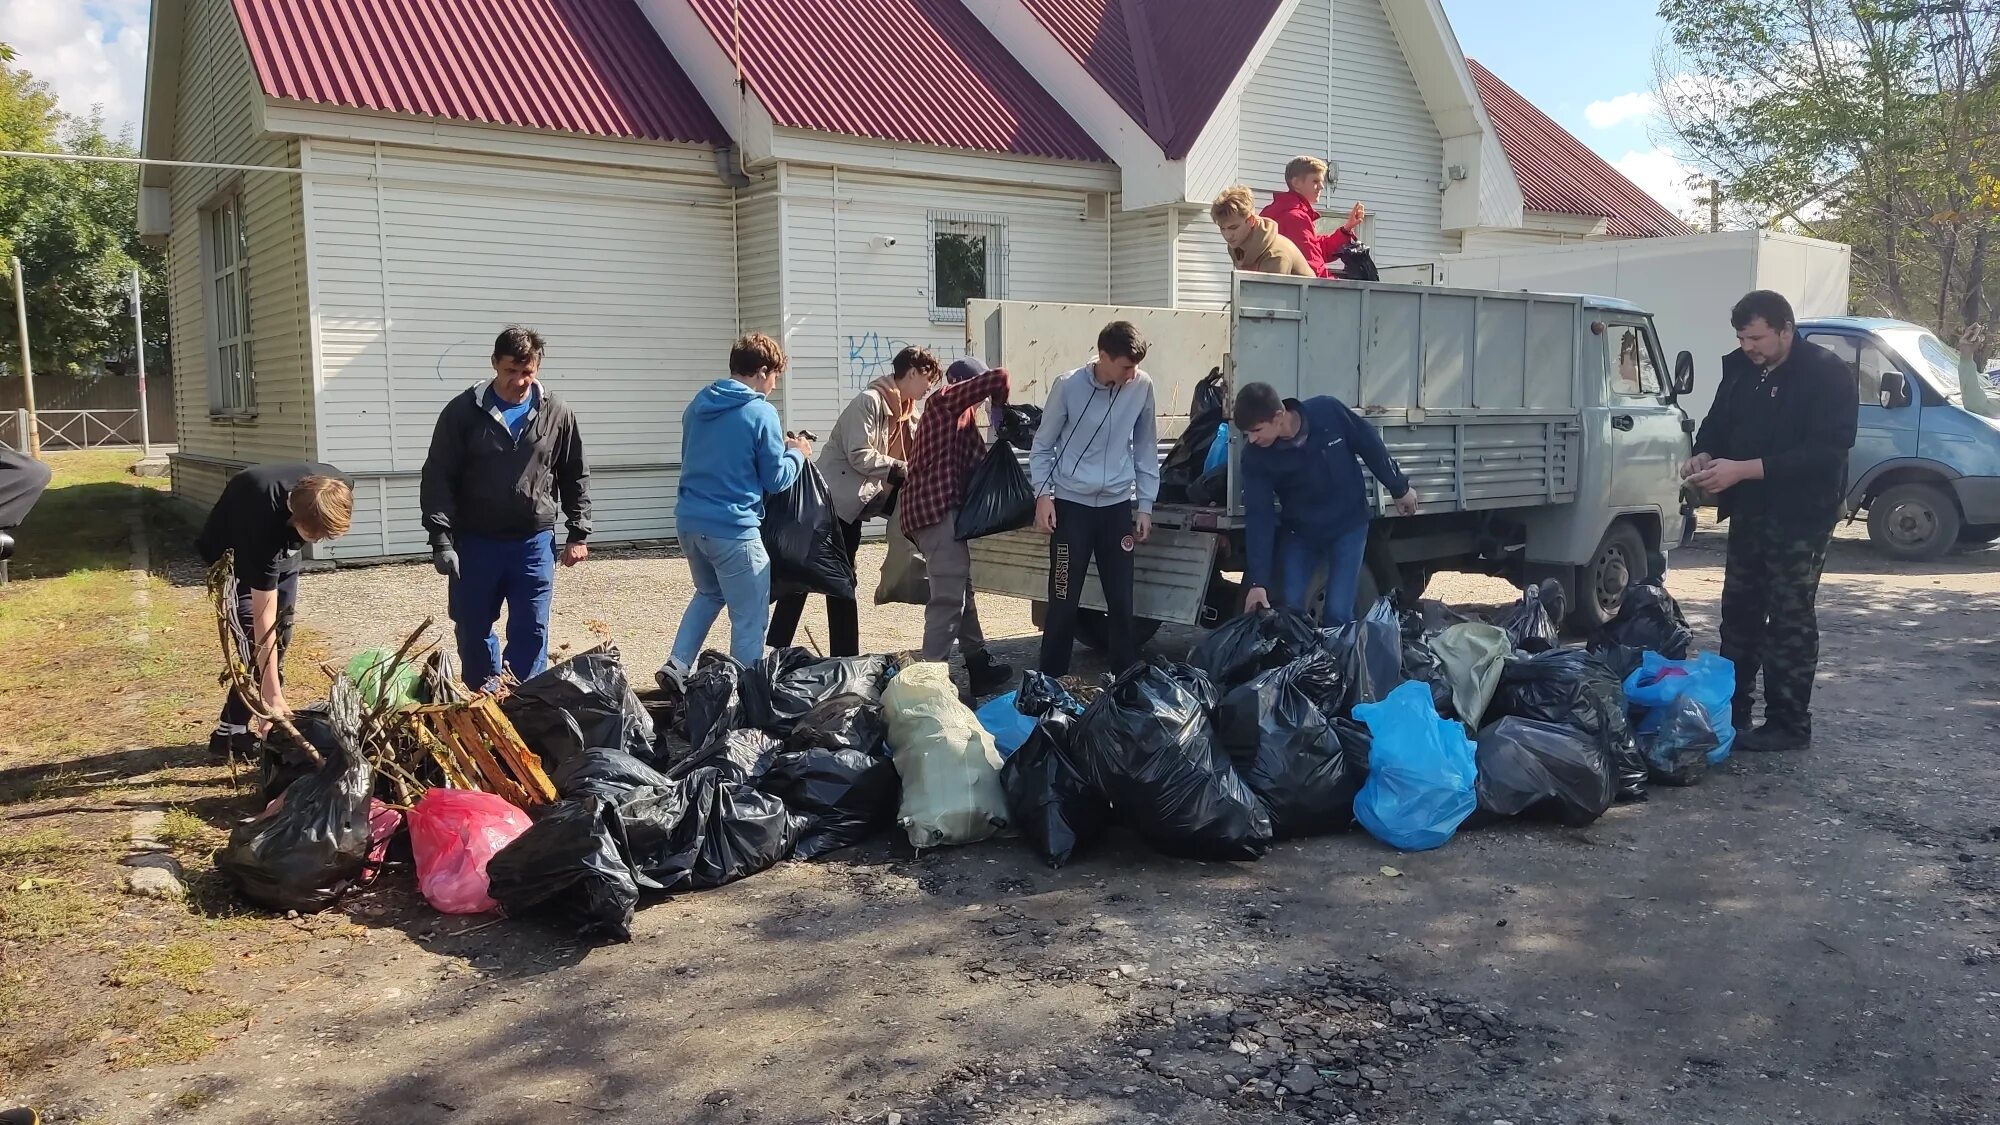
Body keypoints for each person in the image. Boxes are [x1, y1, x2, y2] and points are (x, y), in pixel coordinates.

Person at [1684, 290, 1857, 753]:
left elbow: (1828, 453)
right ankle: (1732, 713)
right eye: (1742, 337)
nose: (1749, 346)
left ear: (1785, 329)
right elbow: (1717, 423)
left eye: (1757, 337)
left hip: (1802, 514)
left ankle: (1788, 723)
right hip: (1750, 510)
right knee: (1738, 613)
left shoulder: (1826, 373)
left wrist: (1743, 468)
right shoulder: (1741, 370)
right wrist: (1703, 453)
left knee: (1789, 617)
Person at [420, 326, 591, 690]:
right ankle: (485, 697)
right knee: (472, 625)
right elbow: (438, 476)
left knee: (531, 627)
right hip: (475, 543)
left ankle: (521, 701)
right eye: (511, 371)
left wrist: (578, 531)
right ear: (495, 364)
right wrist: (441, 539)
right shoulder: (463, 412)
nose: (519, 381)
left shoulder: (556, 412)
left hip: (533, 543)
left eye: (527, 372)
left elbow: (574, 472)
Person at [772, 346, 936, 655]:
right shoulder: (870, 402)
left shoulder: (908, 411)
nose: (930, 387)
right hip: (828, 504)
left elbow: (916, 454)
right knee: (819, 576)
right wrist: (902, 469)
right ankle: (823, 653)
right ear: (911, 372)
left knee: (827, 576)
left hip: (851, 508)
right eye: (928, 378)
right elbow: (859, 455)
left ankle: (833, 653)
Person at [666, 333, 812, 675]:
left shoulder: (698, 404)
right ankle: (744, 695)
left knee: (709, 594)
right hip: (734, 529)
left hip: (689, 522)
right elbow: (776, 479)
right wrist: (797, 454)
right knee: (749, 617)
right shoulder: (761, 412)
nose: (774, 385)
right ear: (762, 371)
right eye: (775, 376)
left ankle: (677, 664)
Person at [195, 462, 354, 758]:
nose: (318, 542)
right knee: (255, 645)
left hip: (283, 554)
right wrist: (273, 696)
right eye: (315, 535)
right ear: (294, 517)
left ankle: (230, 731)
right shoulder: (262, 523)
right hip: (233, 560)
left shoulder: (339, 485)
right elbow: (262, 619)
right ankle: (233, 733)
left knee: (281, 639)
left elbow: (276, 630)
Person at [1030, 321, 1159, 677]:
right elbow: (1042, 446)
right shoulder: (1068, 386)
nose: (1132, 374)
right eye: (1125, 367)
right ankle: (1050, 680)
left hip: (1117, 507)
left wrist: (1145, 504)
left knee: (1121, 601)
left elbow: (1146, 447)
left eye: (1136, 367)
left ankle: (1126, 678)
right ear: (1103, 356)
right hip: (1072, 508)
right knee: (1063, 600)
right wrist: (1043, 495)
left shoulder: (1142, 386)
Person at [1233, 383, 1420, 624]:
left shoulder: (1328, 412)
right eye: (1247, 433)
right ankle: (1304, 662)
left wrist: (1399, 487)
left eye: (1256, 430)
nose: (1252, 438)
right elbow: (1260, 517)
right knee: (1291, 613)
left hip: (1348, 527)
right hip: (1301, 534)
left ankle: (1339, 660)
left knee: (1337, 613)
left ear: (1279, 416)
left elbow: (1368, 443)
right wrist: (1258, 582)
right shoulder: (1255, 457)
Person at [901, 356, 1016, 697]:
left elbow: (978, 468)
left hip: (943, 515)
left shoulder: (964, 421)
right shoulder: (944, 401)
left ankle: (978, 664)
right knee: (948, 600)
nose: (979, 403)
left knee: (961, 590)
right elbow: (1000, 377)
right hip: (934, 513)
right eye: (976, 394)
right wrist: (999, 406)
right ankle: (930, 682)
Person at [1262, 155, 1368, 280]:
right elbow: (1312, 266)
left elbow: (1315, 250)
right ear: (1296, 183)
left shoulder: (1279, 211)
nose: (1322, 186)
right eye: (1315, 181)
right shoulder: (1295, 218)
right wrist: (1341, 288)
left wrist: (1346, 229)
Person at [1211, 185, 1315, 277]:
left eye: (1233, 228)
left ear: (1251, 220)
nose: (1228, 236)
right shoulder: (1236, 247)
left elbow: (1271, 297)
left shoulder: (1275, 255)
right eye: (1222, 229)